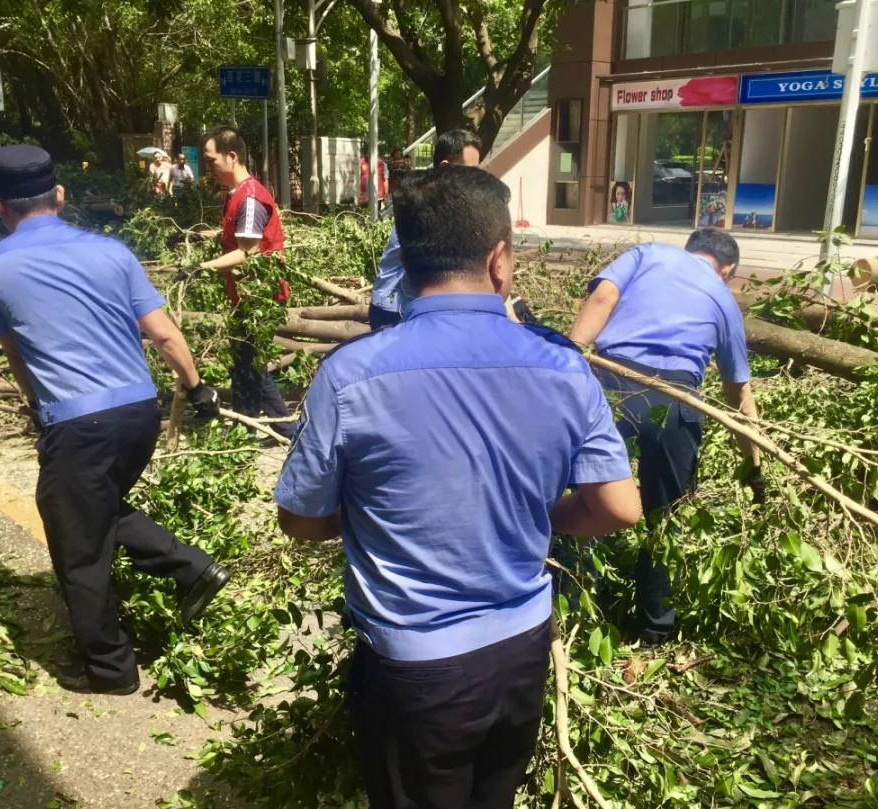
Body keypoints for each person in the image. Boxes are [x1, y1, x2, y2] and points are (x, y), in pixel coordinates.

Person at [275, 165, 641, 809]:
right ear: (499, 260)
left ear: (405, 262)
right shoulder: (563, 366)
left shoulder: (350, 375)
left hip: (416, 664)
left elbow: (301, 521)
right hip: (522, 647)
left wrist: (372, 515)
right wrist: (535, 513)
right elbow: (619, 508)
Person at [0, 145, 231, 695]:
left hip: (78, 422)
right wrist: (197, 387)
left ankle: (111, 669)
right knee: (93, 507)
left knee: (76, 543)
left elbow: (16, 354)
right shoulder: (112, 251)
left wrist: (38, 408)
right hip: (138, 415)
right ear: (60, 195)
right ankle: (191, 568)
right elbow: (164, 334)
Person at [569, 229, 764, 644]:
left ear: (690, 249)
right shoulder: (725, 299)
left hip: (610, 385)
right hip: (676, 401)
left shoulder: (648, 254)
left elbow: (604, 296)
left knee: (586, 490)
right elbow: (739, 395)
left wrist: (568, 356)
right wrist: (755, 464)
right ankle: (654, 629)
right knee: (664, 519)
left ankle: (575, 602)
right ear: (727, 269)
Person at [197, 125, 294, 438]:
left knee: (250, 365)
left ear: (232, 156)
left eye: (211, 161)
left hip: (260, 297)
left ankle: (284, 429)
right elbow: (237, 235)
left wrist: (201, 267)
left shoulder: (250, 197)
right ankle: (249, 427)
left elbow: (246, 253)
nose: (208, 168)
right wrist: (202, 236)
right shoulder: (237, 194)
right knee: (243, 363)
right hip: (246, 295)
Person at [368, 129, 482, 330]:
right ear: (445, 167)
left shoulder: (445, 202)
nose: (475, 179)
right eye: (470, 171)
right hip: (394, 309)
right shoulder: (424, 204)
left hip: (414, 307)